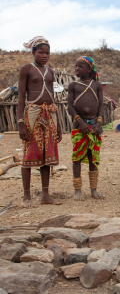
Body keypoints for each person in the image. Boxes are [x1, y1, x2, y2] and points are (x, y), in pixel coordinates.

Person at [17, 36, 62, 208]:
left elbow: (53, 95)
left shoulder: (50, 72)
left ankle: (45, 195)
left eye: (47, 53)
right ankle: (26, 196)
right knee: (29, 152)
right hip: (33, 112)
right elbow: (21, 96)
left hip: (50, 112)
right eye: (41, 52)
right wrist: (21, 122)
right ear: (33, 52)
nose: (45, 55)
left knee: (47, 155)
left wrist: (58, 125)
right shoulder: (26, 69)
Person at [67, 56, 105, 200]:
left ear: (89, 69)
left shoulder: (97, 85)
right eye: (76, 66)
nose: (76, 69)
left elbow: (101, 106)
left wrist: (99, 123)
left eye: (80, 67)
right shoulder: (73, 86)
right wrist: (80, 122)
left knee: (93, 157)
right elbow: (70, 106)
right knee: (77, 157)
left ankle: (93, 190)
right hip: (79, 125)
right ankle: (77, 191)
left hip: (95, 125)